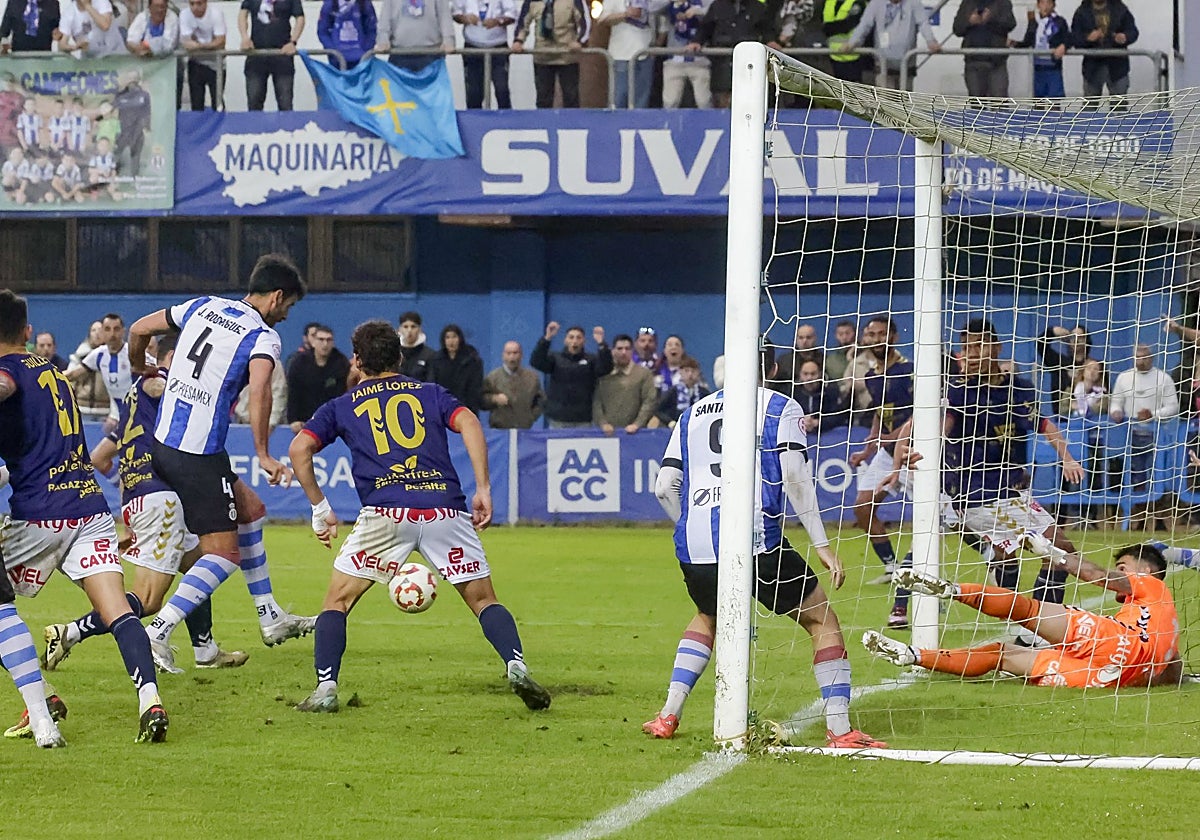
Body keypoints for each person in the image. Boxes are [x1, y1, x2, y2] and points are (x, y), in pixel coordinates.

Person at [288, 320, 552, 713]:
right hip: (444, 508)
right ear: (399, 357)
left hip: (385, 513)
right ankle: (516, 664)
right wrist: (483, 487)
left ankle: (326, 688)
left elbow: (298, 450)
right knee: (483, 600)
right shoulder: (430, 393)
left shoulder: (341, 406)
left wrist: (319, 506)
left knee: (336, 603)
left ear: (357, 361)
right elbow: (468, 422)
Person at [643, 348, 886, 748]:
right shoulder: (780, 406)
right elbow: (794, 475)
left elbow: (664, 486)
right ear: (771, 369)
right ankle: (841, 730)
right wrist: (821, 544)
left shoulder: (692, 414)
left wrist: (690, 524)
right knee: (820, 620)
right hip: (757, 539)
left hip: (697, 544)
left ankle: (668, 714)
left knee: (707, 617)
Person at [126, 254, 315, 674]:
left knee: (250, 511)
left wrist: (139, 364)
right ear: (277, 297)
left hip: (163, 443)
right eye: (289, 307)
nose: (285, 315)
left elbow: (138, 329)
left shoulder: (202, 305)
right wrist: (264, 452)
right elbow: (262, 390)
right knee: (223, 555)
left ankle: (270, 616)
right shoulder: (262, 336)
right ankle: (158, 629)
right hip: (198, 454)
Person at [0, 289, 167, 743]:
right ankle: (150, 700)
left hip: (39, 516)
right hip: (90, 508)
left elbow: (5, 386)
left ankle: (41, 700)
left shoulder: (9, 373)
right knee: (118, 611)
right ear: (28, 333)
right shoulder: (53, 372)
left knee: (0, 610)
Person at [40, 334, 249, 674]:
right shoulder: (159, 381)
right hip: (161, 499)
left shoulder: (133, 398)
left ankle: (205, 649)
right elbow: (158, 383)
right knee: (149, 599)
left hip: (143, 496)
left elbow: (102, 456)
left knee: (200, 567)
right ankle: (69, 633)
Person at [864, 539, 1181, 690]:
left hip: (1114, 642)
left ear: (1148, 569)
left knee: (1027, 610)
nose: (1120, 572)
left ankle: (951, 590)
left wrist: (1050, 552)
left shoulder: (1151, 584)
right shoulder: (1164, 618)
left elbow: (1094, 572)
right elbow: (1172, 670)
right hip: (1110, 677)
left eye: (1124, 566)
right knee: (1001, 655)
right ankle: (912, 654)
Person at [944, 318, 1082, 612]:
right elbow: (942, 427)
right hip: (978, 492)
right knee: (1062, 551)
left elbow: (1044, 423)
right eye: (966, 347)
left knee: (1008, 558)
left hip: (1012, 491)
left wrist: (1067, 457)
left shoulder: (1020, 389)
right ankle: (1038, 624)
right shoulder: (957, 391)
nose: (972, 353)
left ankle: (1016, 615)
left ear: (996, 347)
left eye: (979, 345)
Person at [846, 316, 912, 600]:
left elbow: (921, 412)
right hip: (886, 451)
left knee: (945, 517)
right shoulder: (872, 375)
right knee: (862, 506)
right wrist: (870, 447)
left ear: (893, 337)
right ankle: (891, 566)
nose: (875, 339)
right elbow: (879, 412)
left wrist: (894, 435)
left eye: (881, 333)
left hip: (914, 451)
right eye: (870, 334)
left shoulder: (909, 370)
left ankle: (987, 554)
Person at [840, 0, 940, 91]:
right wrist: (852, 43)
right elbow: (864, 25)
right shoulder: (876, 3)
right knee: (886, 103)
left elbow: (923, 23)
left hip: (906, 63)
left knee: (905, 103)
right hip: (883, 64)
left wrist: (931, 41)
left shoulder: (913, 3)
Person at [530, 322, 612, 428]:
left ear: (584, 341)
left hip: (583, 419)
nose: (575, 341)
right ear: (565, 340)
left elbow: (605, 369)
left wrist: (602, 344)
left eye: (578, 338)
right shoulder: (555, 358)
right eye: (571, 337)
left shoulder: (591, 360)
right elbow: (536, 362)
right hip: (558, 419)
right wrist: (547, 338)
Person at [511, 0, 591, 109]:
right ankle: (543, 124)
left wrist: (579, 41)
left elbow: (584, 22)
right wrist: (518, 41)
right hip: (542, 55)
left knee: (571, 97)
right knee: (543, 98)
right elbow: (522, 23)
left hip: (567, 56)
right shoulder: (531, 1)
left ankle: (572, 124)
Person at [65, 311, 131, 428]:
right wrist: (46, 375)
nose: (112, 334)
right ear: (102, 332)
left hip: (136, 413)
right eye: (107, 329)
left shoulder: (132, 353)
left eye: (116, 329)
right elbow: (72, 374)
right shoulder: (99, 354)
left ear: (123, 331)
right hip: (115, 416)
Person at [238, 0, 305, 111]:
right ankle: (255, 128)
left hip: (282, 55)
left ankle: (286, 127)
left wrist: (293, 41)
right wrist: (245, 37)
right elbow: (243, 13)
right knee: (254, 102)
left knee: (285, 103)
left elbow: (300, 18)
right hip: (256, 55)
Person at [286, 323, 351, 431]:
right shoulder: (299, 363)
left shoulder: (341, 363)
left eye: (328, 340)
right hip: (304, 422)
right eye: (321, 339)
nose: (325, 344)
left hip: (332, 422)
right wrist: (293, 420)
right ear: (314, 342)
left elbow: (343, 395)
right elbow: (293, 393)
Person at [452, 0, 517, 108]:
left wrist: (498, 21)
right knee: (474, 93)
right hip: (472, 47)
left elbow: (512, 15)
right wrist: (465, 19)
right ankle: (474, 123)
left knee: (502, 90)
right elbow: (455, 14)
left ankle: (505, 123)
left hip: (498, 47)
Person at [592, 333, 657, 434]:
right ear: (612, 351)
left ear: (632, 351)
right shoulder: (603, 374)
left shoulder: (644, 374)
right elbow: (597, 402)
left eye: (627, 349)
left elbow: (649, 401)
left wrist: (637, 424)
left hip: (635, 434)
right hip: (606, 434)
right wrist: (603, 423)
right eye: (619, 348)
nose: (623, 352)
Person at [1070, 0, 1137, 98]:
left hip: (1118, 66)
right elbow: (1074, 38)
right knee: (1090, 106)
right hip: (1092, 67)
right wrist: (1088, 38)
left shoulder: (1121, 9)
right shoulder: (1082, 12)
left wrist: (1125, 37)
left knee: (1119, 107)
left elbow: (1133, 31)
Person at [951, 0, 1016, 99]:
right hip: (973, 62)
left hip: (996, 63)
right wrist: (969, 22)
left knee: (999, 105)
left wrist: (991, 20)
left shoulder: (1002, 2)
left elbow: (1010, 24)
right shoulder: (968, 2)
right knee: (977, 106)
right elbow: (957, 29)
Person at [1009, 0, 1070, 99]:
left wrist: (1064, 46)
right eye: (1042, 3)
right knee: (1038, 99)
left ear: (1054, 5)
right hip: (1038, 67)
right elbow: (1028, 41)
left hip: (1053, 67)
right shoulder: (1034, 22)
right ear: (1038, 5)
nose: (1045, 6)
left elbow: (1069, 38)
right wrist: (1014, 43)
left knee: (1054, 100)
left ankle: (1055, 115)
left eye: (1048, 3)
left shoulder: (1059, 22)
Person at [1037, 323, 1095, 418]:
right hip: (1063, 419)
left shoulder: (1094, 366)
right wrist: (1052, 331)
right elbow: (1040, 345)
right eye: (1073, 337)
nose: (1076, 340)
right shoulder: (1059, 363)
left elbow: (1104, 393)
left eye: (1080, 337)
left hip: (1091, 418)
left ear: (1086, 340)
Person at [481, 340, 544, 429]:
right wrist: (494, 399)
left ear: (521, 355)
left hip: (524, 429)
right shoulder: (492, 377)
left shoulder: (532, 377)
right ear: (503, 356)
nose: (512, 357)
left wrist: (531, 417)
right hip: (500, 430)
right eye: (508, 353)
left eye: (515, 353)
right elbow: (481, 401)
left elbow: (541, 400)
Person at [179, 0, 227, 110]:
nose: (195, 7)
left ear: (206, 3)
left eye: (199, 3)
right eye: (192, 4)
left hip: (216, 64)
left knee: (218, 103)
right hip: (196, 63)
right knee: (196, 104)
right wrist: (210, 45)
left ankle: (220, 126)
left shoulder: (216, 14)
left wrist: (198, 45)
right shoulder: (184, 14)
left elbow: (220, 42)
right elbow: (186, 43)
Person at [429, 323, 484, 414]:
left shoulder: (472, 360)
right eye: (448, 337)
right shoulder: (436, 360)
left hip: (466, 410)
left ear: (460, 339)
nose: (451, 341)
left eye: (454, 337)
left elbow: (475, 389)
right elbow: (433, 384)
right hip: (442, 409)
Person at [649, 355, 709, 429]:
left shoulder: (704, 393)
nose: (690, 374)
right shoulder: (673, 391)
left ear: (698, 373)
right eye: (686, 371)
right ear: (680, 372)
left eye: (693, 371)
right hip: (674, 429)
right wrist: (670, 422)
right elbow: (658, 410)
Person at [316, 0, 376, 69]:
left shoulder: (365, 4)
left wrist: (365, 50)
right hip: (337, 60)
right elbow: (322, 32)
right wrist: (333, 51)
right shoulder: (329, 4)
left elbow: (372, 31)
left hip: (362, 59)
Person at [397, 310, 436, 381]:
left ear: (420, 329)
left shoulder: (430, 355)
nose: (409, 330)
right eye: (405, 326)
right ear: (400, 329)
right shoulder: (394, 354)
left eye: (413, 326)